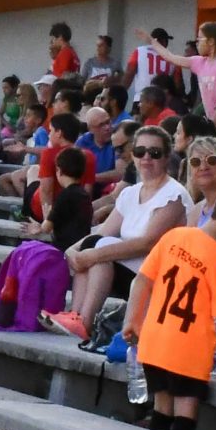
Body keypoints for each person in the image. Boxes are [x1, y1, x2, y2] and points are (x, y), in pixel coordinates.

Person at [121, 184, 216, 430]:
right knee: (184, 419)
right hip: (189, 350)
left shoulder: (174, 237)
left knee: (161, 411)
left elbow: (142, 280)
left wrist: (132, 318)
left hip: (154, 343)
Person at [49, 124, 187, 342]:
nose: (146, 158)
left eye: (155, 152)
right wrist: (73, 250)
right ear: (133, 155)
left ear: (166, 157)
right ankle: (75, 315)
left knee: (99, 251)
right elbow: (104, 231)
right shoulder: (130, 193)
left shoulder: (174, 195)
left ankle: (84, 321)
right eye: (140, 151)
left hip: (156, 275)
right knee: (94, 244)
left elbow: (147, 243)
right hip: (129, 268)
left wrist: (93, 254)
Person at [0, 188, 89, 333]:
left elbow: (47, 227)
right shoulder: (83, 194)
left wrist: (44, 223)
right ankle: (73, 315)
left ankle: (75, 316)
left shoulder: (64, 195)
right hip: (71, 249)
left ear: (59, 175)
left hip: (66, 250)